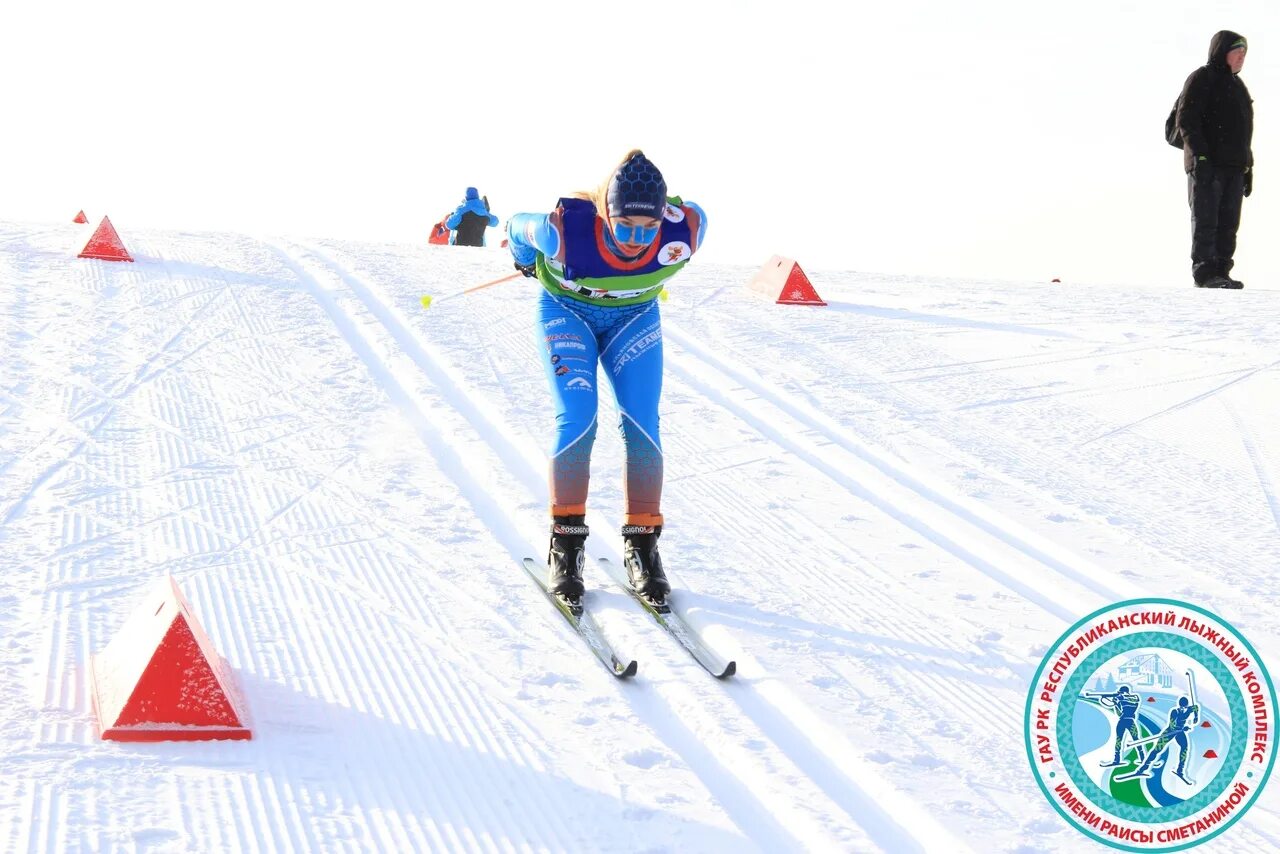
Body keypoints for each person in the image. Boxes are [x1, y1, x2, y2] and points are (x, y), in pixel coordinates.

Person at [505, 150, 707, 606]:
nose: (637, 239)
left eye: (648, 228)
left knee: (642, 424)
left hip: (633, 318)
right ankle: (567, 544)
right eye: (625, 226)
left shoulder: (688, 228)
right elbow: (515, 227)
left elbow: (693, 218)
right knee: (578, 418)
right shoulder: (560, 231)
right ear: (604, 214)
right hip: (566, 311)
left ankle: (642, 547)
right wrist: (523, 259)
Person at [1175, 31, 1253, 288]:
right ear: (1221, 52)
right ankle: (1206, 273)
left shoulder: (1238, 87)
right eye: (1236, 52)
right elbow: (1186, 120)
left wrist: (1248, 165)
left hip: (1234, 167)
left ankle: (1221, 270)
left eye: (1244, 54)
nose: (1241, 57)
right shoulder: (1202, 78)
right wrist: (1201, 155)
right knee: (1206, 220)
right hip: (1207, 165)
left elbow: (1243, 131)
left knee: (1229, 223)